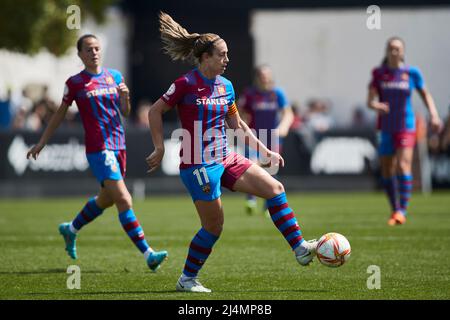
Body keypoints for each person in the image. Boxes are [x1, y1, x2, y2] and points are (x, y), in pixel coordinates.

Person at [146, 12, 317, 293]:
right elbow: (155, 111)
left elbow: (237, 124)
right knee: (214, 227)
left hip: (224, 157)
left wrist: (265, 151)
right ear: (205, 57)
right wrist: (159, 146)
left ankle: (299, 248)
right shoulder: (185, 84)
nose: (227, 60)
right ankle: (187, 279)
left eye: (227, 55)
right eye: (222, 55)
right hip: (198, 164)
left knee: (275, 188)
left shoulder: (226, 87)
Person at [26, 34, 168, 271]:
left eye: (97, 48)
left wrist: (126, 98)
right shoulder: (75, 83)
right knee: (124, 198)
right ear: (80, 54)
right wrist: (42, 142)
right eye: (89, 49)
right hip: (99, 149)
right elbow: (60, 113)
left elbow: (125, 111)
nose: (94, 52)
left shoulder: (115, 76)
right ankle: (148, 254)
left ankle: (70, 229)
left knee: (107, 200)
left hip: (119, 146)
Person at [367, 36, 442, 226]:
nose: (394, 52)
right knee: (387, 169)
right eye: (391, 48)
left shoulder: (412, 73)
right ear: (386, 51)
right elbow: (369, 101)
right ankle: (394, 209)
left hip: (405, 126)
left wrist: (433, 114)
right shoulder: (379, 73)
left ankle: (402, 210)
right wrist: (377, 106)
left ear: (403, 51)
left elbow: (426, 95)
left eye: (397, 48)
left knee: (403, 165)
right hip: (385, 127)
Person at [238, 65, 294, 215]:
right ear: (257, 77)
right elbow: (239, 112)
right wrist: (243, 125)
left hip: (272, 137)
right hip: (254, 136)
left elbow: (288, 114)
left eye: (267, 75)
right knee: (251, 166)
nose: (265, 78)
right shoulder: (249, 94)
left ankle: (268, 206)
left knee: (271, 170)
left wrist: (284, 127)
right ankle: (251, 198)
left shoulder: (277, 94)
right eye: (262, 75)